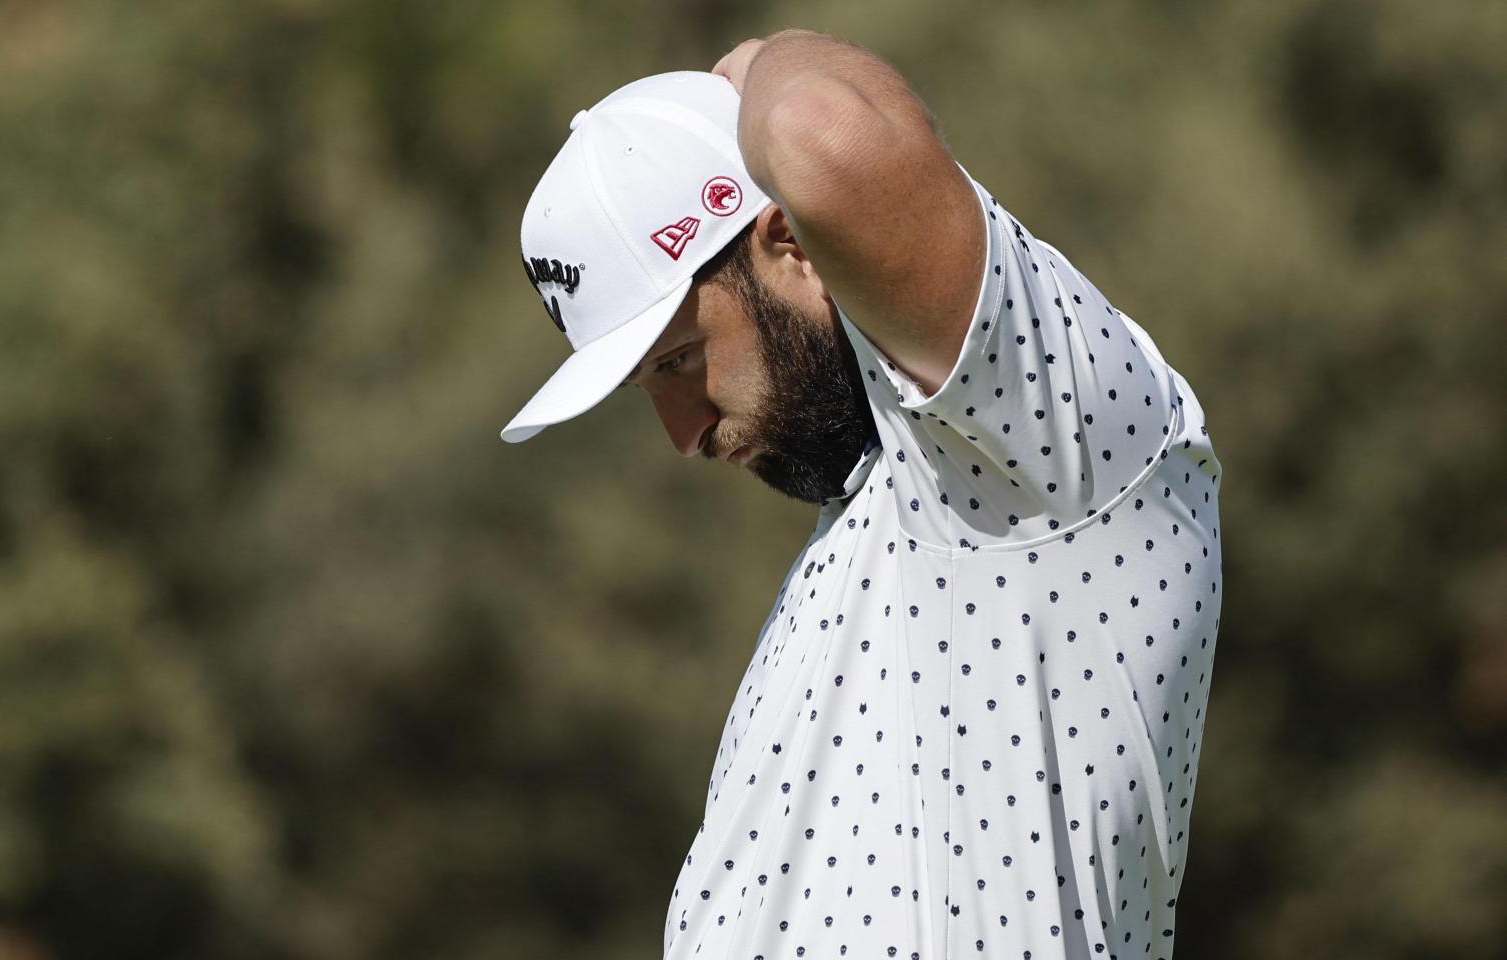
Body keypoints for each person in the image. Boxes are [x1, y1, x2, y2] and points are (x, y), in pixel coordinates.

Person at [502, 28, 1223, 960]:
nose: (683, 433)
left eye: (681, 361)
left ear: (792, 242)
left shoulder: (1049, 442)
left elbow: (818, 130)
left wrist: (760, 61)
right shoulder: (858, 537)